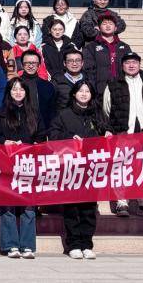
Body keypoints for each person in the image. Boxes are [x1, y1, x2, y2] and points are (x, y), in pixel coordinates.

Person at [48, 81, 112, 260]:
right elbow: (53, 135)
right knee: (72, 207)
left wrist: (108, 133)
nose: (84, 94)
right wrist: (69, 138)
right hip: (71, 168)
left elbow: (108, 131)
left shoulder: (98, 114)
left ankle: (87, 244)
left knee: (89, 208)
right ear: (74, 94)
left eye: (87, 91)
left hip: (92, 168)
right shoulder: (64, 115)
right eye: (80, 91)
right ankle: (74, 244)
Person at [0, 78, 44, 259]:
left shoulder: (34, 114)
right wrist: (4, 141)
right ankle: (10, 244)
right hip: (7, 163)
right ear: (9, 92)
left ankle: (27, 245)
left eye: (21, 89)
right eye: (14, 89)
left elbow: (42, 135)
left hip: (28, 164)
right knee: (8, 205)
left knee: (29, 206)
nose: (18, 92)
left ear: (26, 92)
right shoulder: (0, 114)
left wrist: (35, 144)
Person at [104, 51, 143, 217]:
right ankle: (122, 202)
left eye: (134, 62)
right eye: (128, 62)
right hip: (122, 131)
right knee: (121, 167)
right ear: (122, 66)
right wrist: (111, 127)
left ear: (139, 64)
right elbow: (106, 108)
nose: (131, 65)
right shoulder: (113, 83)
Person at [82, 13, 132, 95]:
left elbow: (130, 67)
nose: (108, 26)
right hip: (100, 90)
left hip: (121, 90)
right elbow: (88, 70)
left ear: (115, 28)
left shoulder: (124, 47)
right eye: (104, 23)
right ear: (98, 28)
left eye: (111, 24)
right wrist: (93, 89)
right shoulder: (91, 47)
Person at [19, 50, 58, 127]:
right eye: (27, 63)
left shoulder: (47, 86)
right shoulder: (15, 84)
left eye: (34, 63)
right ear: (22, 64)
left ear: (39, 65)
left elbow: (52, 110)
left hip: (42, 127)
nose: (31, 66)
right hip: (20, 126)